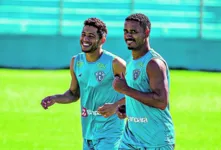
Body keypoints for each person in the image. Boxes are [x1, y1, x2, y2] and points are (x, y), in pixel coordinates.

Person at [41, 18, 126, 150]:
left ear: (102, 40)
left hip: (111, 134)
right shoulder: (76, 61)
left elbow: (137, 92)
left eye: (91, 36)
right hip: (88, 134)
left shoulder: (115, 63)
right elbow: (74, 94)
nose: (85, 39)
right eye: (83, 34)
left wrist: (116, 105)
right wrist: (55, 98)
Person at [113, 13, 175, 150]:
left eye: (134, 32)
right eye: (126, 31)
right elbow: (140, 94)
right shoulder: (131, 62)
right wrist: (130, 107)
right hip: (131, 139)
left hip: (155, 141)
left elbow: (161, 101)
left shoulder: (154, 63)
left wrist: (125, 90)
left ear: (146, 32)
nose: (128, 35)